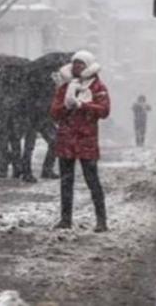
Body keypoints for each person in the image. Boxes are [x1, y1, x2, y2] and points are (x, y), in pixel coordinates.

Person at [50, 50, 110, 232]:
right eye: (75, 63)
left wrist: (83, 105)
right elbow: (54, 112)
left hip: (86, 140)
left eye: (81, 64)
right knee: (66, 182)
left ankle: (101, 221)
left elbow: (104, 111)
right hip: (67, 139)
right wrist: (66, 107)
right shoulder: (64, 87)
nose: (77, 67)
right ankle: (65, 219)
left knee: (92, 181)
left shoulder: (98, 87)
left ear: (89, 66)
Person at [0, 67, 30, 178]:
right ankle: (12, 167)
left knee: (7, 144)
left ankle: (6, 168)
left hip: (8, 117)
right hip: (10, 118)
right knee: (12, 144)